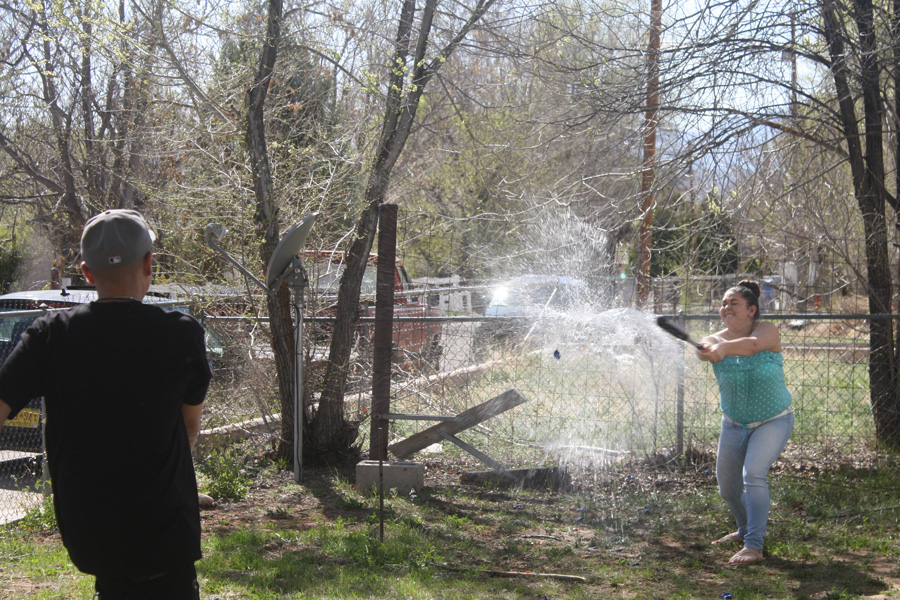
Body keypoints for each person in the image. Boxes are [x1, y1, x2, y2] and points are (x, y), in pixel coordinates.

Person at [0, 210, 211, 598]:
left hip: (93, 539)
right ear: (149, 263)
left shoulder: (50, 335)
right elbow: (189, 429)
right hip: (165, 536)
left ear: (87, 272)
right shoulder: (181, 335)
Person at [696, 279, 793, 566]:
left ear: (751, 310)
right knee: (728, 488)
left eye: (733, 303)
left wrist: (723, 349)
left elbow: (751, 346)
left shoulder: (767, 331)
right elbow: (706, 348)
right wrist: (706, 350)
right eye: (723, 303)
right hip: (734, 424)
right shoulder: (714, 338)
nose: (726, 307)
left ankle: (754, 546)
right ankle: (743, 529)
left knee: (753, 474)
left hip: (773, 420)